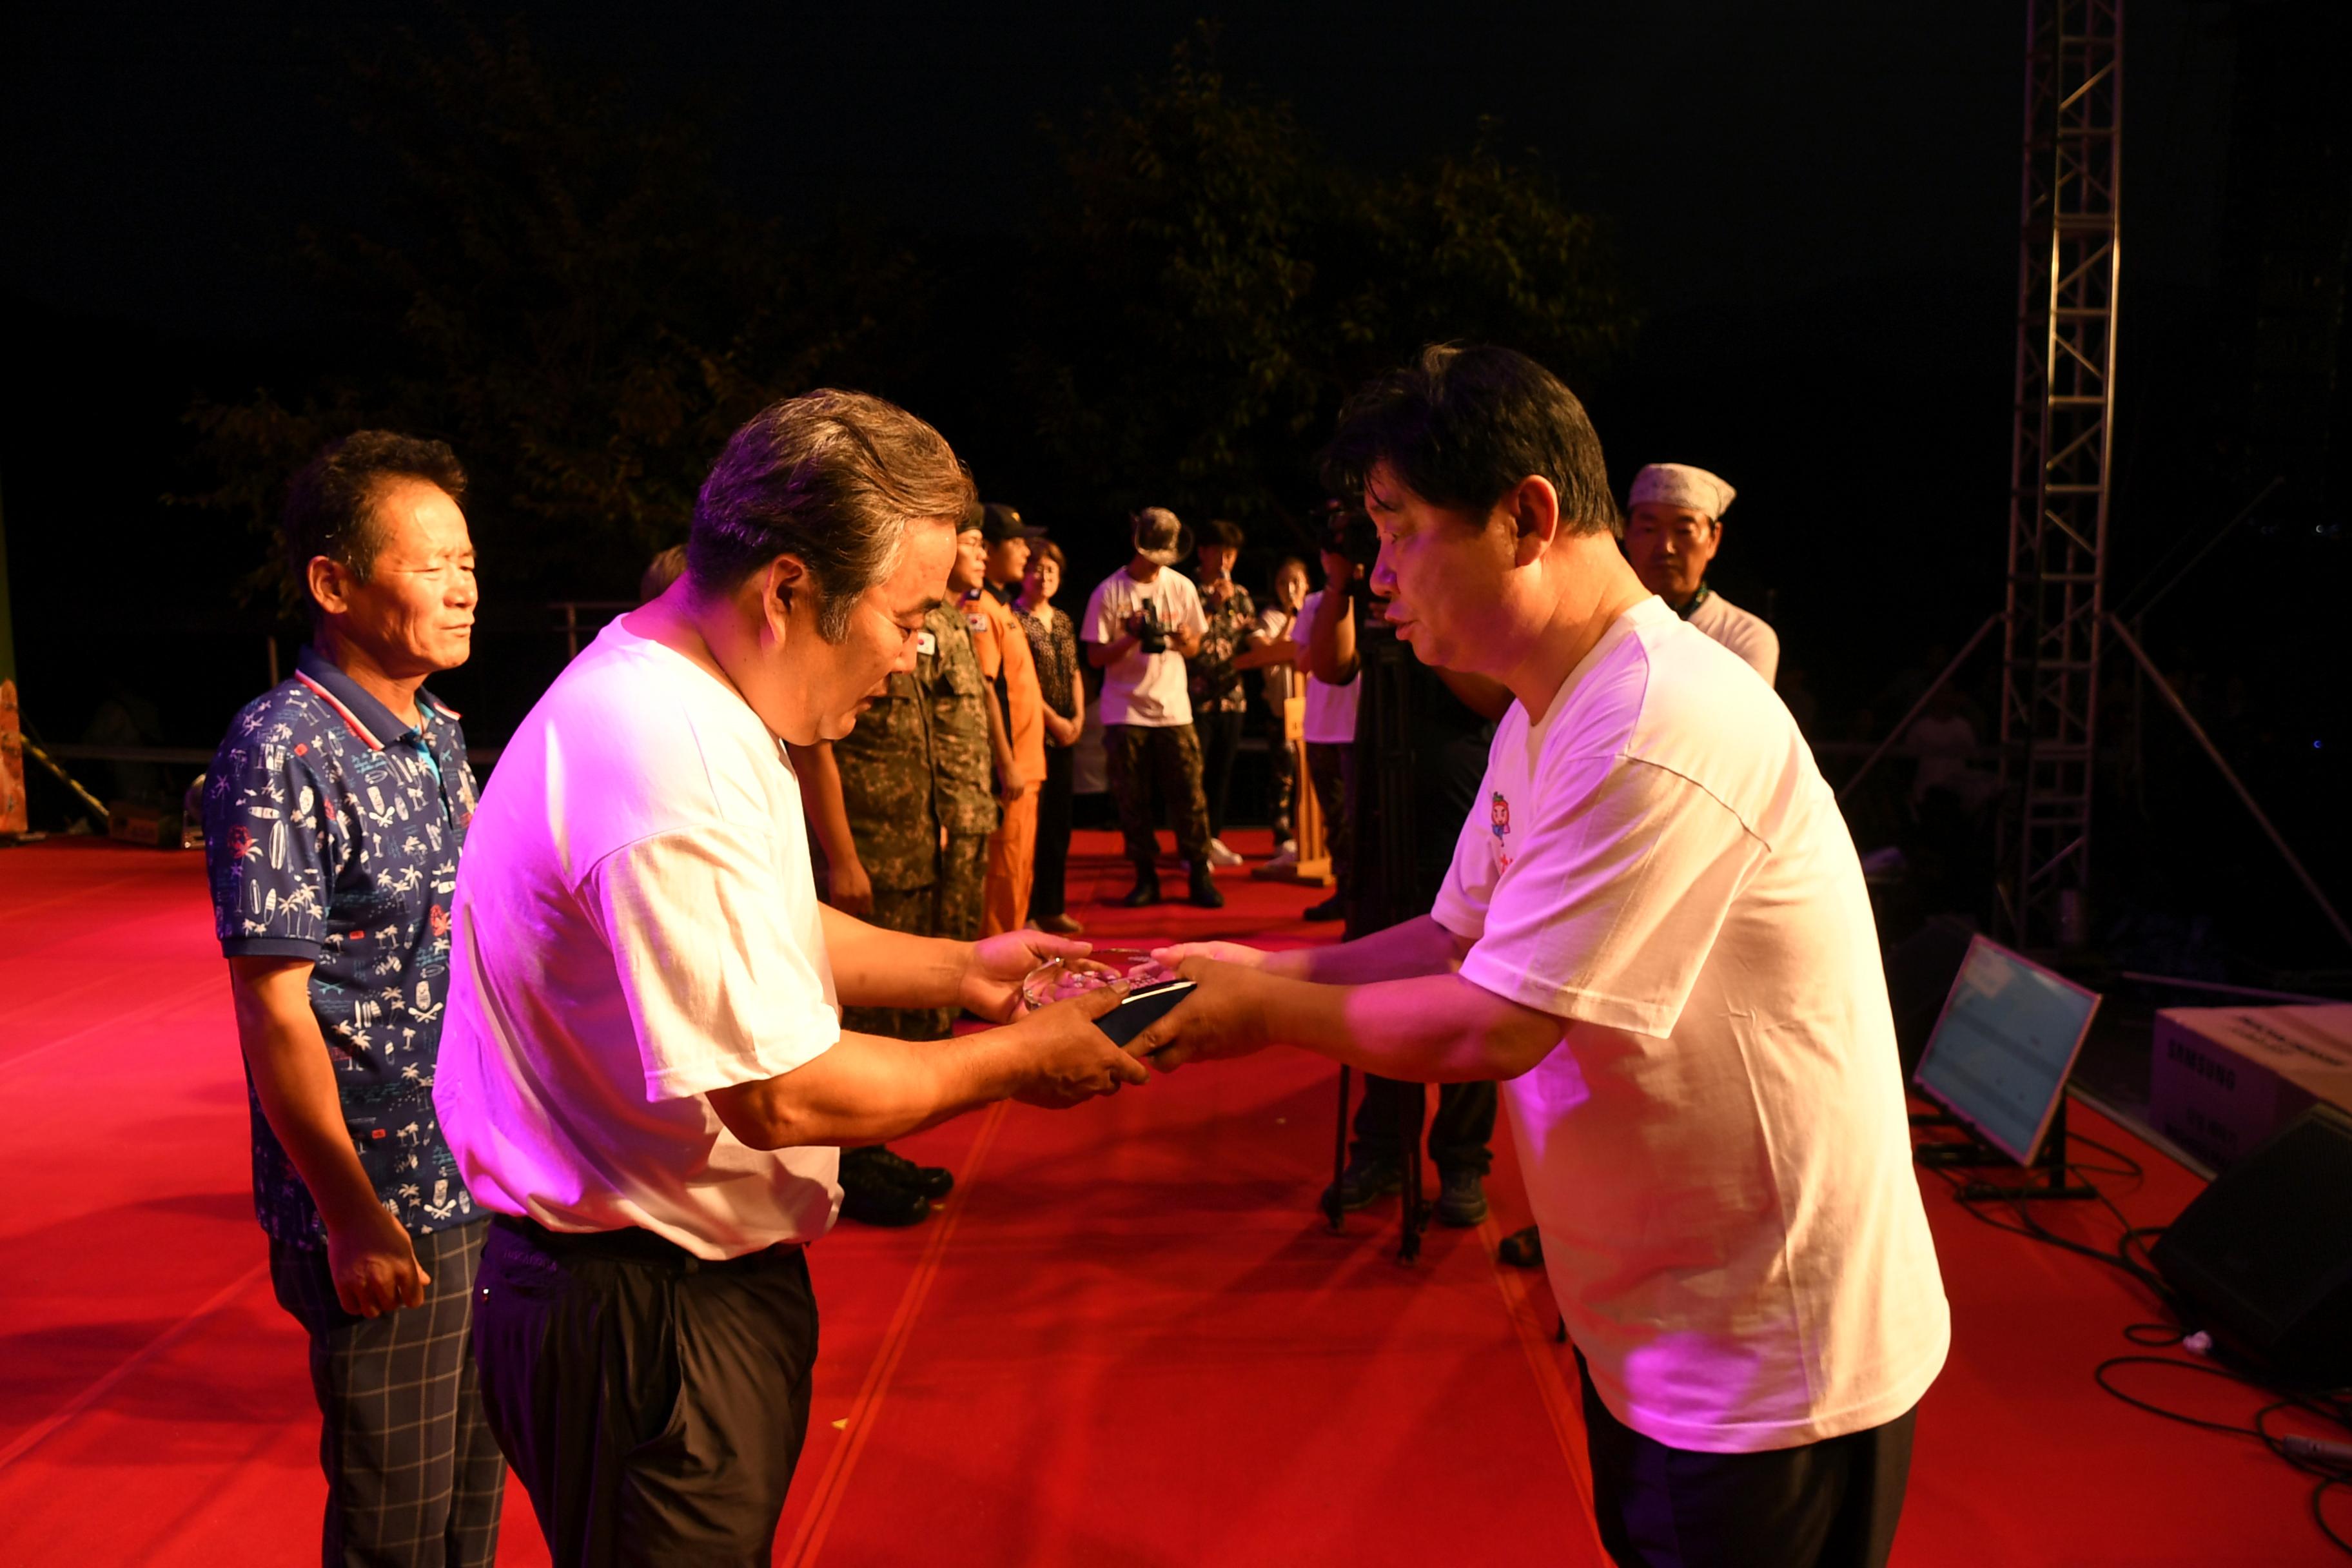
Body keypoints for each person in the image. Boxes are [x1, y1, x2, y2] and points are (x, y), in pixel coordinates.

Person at [1137, 346, 1948, 1568]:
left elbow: (1488, 1025)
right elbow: (1449, 935)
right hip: (1661, 1309)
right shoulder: (1551, 706)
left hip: (1763, 1353)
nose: (1379, 575)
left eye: (1399, 529)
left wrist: (1241, 1014)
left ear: (1525, 517)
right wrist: (1228, 961)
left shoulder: (1653, 719)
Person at [433, 391, 1146, 1567]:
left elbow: (756, 926)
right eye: (909, 613)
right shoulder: (664, 749)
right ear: (787, 591)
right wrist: (1021, 1058)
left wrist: (969, 970)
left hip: (662, 1288)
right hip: (641, 1308)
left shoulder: (692, 695)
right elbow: (777, 1091)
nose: (918, 647)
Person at [202, 431, 504, 1567]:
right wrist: (347, 1211)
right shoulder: (281, 748)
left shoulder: (435, 732)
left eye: (467, 558)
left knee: (471, 1499)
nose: (463, 585)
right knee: (394, 1521)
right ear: (333, 582)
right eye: (431, 563)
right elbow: (274, 1011)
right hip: (385, 1204)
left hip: (476, 1162)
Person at [1081, 507, 1222, 909]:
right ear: (1137, 545)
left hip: (1175, 707)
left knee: (1190, 794)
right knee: (1132, 799)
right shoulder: (1109, 591)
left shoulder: (1181, 587)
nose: (1159, 562)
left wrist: (1179, 638)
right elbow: (1094, 657)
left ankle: (1199, 871)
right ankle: (1145, 876)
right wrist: (1129, 637)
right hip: (1125, 710)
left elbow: (1195, 644)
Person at [965, 511, 1048, 936]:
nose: (1026, 552)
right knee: (1003, 873)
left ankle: (1016, 955)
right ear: (990, 550)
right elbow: (985, 689)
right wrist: (1006, 760)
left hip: (1029, 762)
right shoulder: (980, 609)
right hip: (1013, 765)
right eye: (1016, 543)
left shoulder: (1001, 606)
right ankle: (1002, 970)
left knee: (1019, 869)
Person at [1622, 462, 1779, 685]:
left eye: (1684, 531)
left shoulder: (1744, 636)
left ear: (1714, 539)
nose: (1666, 547)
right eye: (1649, 529)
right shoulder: (1600, 624)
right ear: (1626, 533)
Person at [1016, 539, 1085, 936]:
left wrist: (1075, 717)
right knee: (1033, 828)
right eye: (1037, 569)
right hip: (1032, 733)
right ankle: (1026, 909)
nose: (1043, 577)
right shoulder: (1015, 619)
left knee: (1060, 824)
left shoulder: (1061, 620)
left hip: (1065, 735)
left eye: (1051, 571)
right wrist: (1055, 721)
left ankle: (1052, 906)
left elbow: (1074, 671)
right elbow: (1023, 683)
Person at [1295, 535, 1365, 923]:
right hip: (1322, 727)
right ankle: (1343, 892)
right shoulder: (1314, 605)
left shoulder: (1377, 601)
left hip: (1359, 729)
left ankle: (1364, 895)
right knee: (1335, 820)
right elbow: (1302, 662)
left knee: (1361, 819)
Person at [1186, 518, 1262, 868]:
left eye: (1231, 555)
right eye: (1220, 553)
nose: (1226, 562)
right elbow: (1186, 641)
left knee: (1222, 772)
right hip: (1195, 699)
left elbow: (1252, 640)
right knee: (1193, 775)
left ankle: (1214, 837)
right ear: (1203, 552)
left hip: (1233, 698)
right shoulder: (1187, 592)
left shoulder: (1242, 597)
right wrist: (1212, 606)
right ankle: (1193, 846)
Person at [1238, 556, 1309, 858]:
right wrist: (1291, 619)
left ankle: (1313, 835)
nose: (1290, 588)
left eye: (1296, 582)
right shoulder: (1269, 618)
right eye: (1283, 582)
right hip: (1282, 710)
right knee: (1283, 773)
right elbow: (1267, 652)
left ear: (1307, 585)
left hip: (1313, 710)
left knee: (1312, 775)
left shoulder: (1318, 614)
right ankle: (1282, 837)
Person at [979, 501, 1041, 604]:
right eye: (1017, 543)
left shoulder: (999, 602)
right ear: (987, 550)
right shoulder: (979, 607)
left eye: (1025, 544)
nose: (1027, 552)